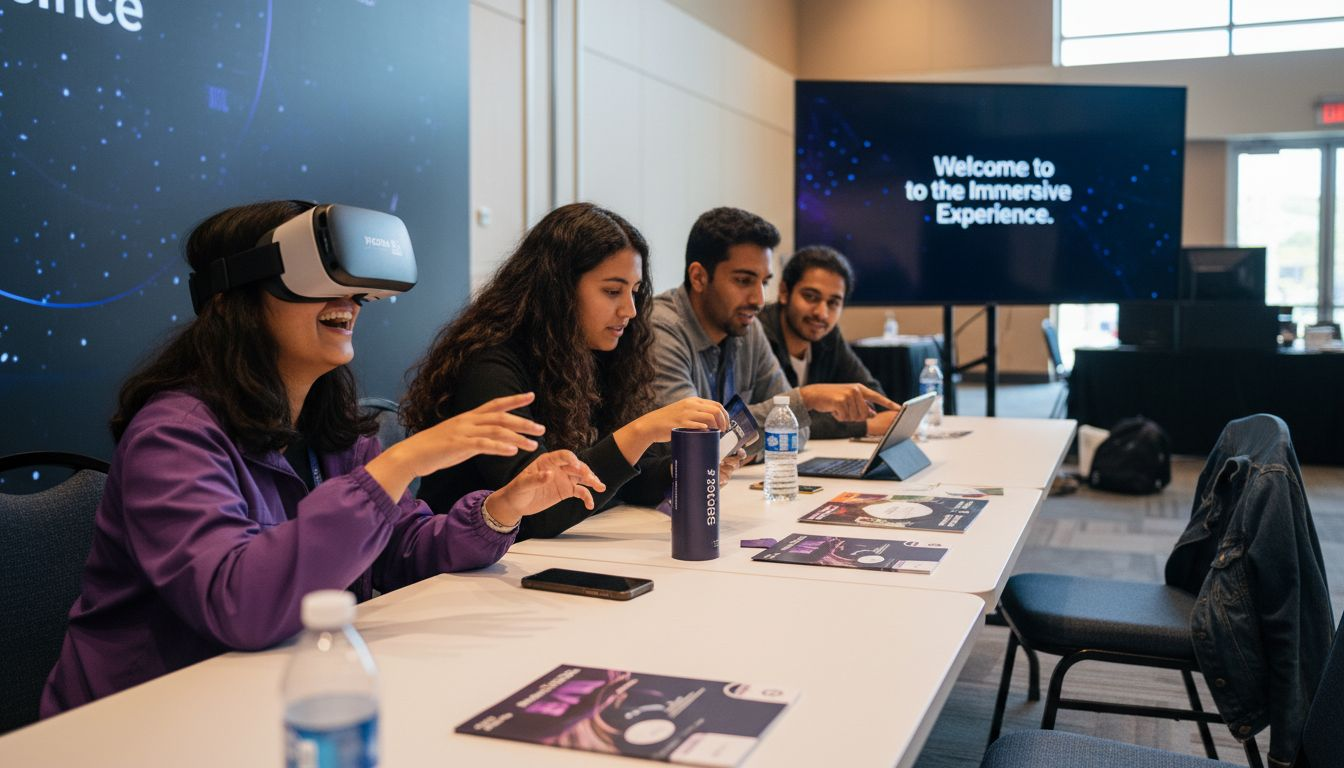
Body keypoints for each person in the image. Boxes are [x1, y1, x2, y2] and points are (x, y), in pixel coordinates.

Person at [41, 201, 601, 716]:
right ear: (234, 300)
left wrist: (502, 509)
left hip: (274, 694)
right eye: (320, 284)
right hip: (145, 720)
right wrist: (399, 465)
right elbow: (239, 604)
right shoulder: (174, 437)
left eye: (355, 290)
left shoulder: (331, 430)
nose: (349, 303)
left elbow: (402, 551)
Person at [402, 202, 740, 540]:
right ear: (558, 288)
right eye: (612, 291)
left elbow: (624, 482)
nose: (630, 310)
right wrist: (641, 431)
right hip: (465, 563)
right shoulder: (490, 366)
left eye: (635, 292)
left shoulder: (595, 354)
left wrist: (684, 470)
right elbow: (539, 511)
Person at [650, 207, 897, 442]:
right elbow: (692, 445)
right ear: (699, 277)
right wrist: (806, 399)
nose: (758, 300)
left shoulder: (749, 329)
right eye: (744, 281)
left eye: (764, 282)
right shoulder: (660, 329)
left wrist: (739, 445)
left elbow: (797, 432)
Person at [758, 245, 894, 438]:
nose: (822, 313)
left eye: (833, 303)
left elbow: (872, 398)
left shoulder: (828, 335)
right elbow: (773, 419)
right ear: (784, 292)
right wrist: (865, 426)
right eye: (810, 297)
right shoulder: (756, 333)